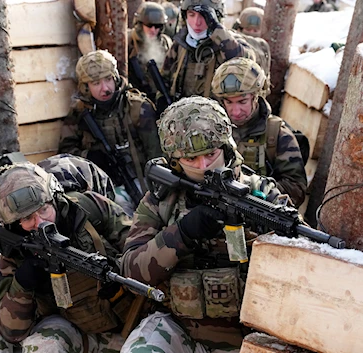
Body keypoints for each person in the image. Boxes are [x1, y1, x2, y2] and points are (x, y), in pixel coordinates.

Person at [120, 96, 283, 353]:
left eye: (210, 154)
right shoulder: (162, 199)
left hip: (248, 336)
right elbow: (130, 271)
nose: (204, 166)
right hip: (181, 328)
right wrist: (182, 234)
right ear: (174, 160)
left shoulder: (260, 193)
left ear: (226, 147)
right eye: (191, 160)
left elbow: (301, 261)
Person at [0, 162, 132, 352]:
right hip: (77, 335)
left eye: (43, 210)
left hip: (128, 324)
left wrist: (121, 270)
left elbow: (140, 248)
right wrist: (22, 284)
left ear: (54, 199)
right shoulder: (16, 251)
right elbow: (11, 333)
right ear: (14, 225)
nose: (40, 223)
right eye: (27, 218)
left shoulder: (88, 209)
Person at [59, 50, 162, 215]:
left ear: (115, 78)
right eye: (96, 83)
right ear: (86, 87)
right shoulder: (80, 113)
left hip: (140, 181)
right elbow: (65, 153)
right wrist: (90, 158)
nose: (105, 89)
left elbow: (157, 156)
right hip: (99, 185)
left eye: (108, 80)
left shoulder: (137, 108)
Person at [211, 57, 307, 207]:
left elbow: (296, 189)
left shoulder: (277, 135)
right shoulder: (212, 129)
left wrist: (258, 191)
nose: (235, 111)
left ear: (256, 97)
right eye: (229, 102)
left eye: (242, 102)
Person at [158, 0, 254, 105]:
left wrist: (217, 31)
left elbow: (247, 63)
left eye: (204, 16)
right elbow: (164, 79)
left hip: (217, 117)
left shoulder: (228, 41)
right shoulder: (180, 44)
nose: (197, 22)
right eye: (192, 15)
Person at [128, 2, 172, 99]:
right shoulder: (129, 41)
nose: (153, 30)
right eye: (149, 25)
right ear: (140, 24)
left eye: (157, 26)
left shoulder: (166, 43)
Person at [231, 7, 271, 87]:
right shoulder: (232, 43)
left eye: (255, 31)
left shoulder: (263, 47)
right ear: (239, 29)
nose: (251, 33)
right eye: (248, 30)